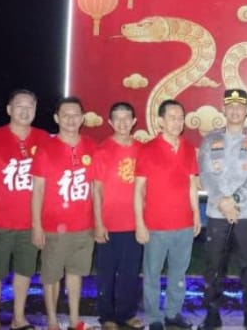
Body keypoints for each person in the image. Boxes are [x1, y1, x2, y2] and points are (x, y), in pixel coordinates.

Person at [198, 89, 247, 330]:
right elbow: (205, 174)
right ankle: (212, 316)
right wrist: (222, 200)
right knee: (213, 267)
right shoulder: (210, 139)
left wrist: (234, 200)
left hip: (246, 213)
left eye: (240, 106)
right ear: (223, 109)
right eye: (231, 106)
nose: (235, 111)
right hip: (217, 213)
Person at [134, 99, 201, 330]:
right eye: (172, 117)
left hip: (184, 224)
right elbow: (138, 189)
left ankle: (173, 313)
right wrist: (140, 223)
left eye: (181, 118)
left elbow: (192, 185)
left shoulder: (188, 148)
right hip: (156, 225)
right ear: (160, 121)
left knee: (178, 273)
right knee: (152, 274)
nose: (177, 122)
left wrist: (196, 213)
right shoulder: (147, 149)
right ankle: (154, 317)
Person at [0, 89, 49, 330]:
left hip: (31, 222)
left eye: (30, 106)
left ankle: (18, 317)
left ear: (35, 110)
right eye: (19, 106)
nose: (25, 111)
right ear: (9, 109)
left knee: (25, 271)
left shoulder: (44, 138)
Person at [31, 97, 97, 330]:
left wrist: (97, 221)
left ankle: (74, 319)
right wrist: (36, 226)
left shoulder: (91, 146)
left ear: (82, 118)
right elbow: (37, 189)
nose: (71, 119)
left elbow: (95, 187)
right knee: (51, 276)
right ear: (56, 118)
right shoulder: (46, 148)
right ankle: (51, 321)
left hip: (84, 226)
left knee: (76, 274)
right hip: (53, 227)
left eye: (75, 114)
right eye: (65, 115)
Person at [92, 102, 144, 330]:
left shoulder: (142, 149)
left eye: (127, 118)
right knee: (106, 273)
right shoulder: (102, 150)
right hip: (109, 223)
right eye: (117, 118)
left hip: (135, 222)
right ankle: (107, 316)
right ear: (110, 122)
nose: (122, 123)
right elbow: (96, 189)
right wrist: (98, 223)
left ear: (134, 121)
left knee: (130, 272)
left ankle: (126, 313)